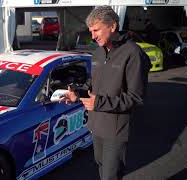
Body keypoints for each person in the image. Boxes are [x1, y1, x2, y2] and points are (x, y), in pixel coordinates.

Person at [61, 6, 151, 180]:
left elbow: (136, 97)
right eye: (91, 31)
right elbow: (92, 84)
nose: (93, 36)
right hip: (96, 126)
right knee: (101, 168)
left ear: (112, 26)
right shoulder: (98, 53)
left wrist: (99, 103)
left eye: (96, 30)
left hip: (116, 130)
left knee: (110, 176)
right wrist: (77, 94)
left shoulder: (133, 53)